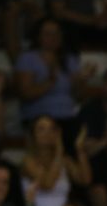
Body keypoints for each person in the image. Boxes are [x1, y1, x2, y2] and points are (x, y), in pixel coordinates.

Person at [15, 17, 95, 146]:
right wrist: (50, 82)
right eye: (48, 33)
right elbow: (26, 94)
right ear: (38, 37)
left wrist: (81, 80)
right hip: (39, 117)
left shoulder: (70, 59)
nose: (53, 37)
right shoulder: (28, 58)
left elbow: (79, 96)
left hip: (67, 117)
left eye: (57, 33)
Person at [20, 114, 90, 206]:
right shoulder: (28, 161)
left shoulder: (64, 160)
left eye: (52, 129)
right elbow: (48, 184)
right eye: (41, 129)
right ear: (33, 135)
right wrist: (59, 150)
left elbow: (85, 180)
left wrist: (80, 149)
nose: (47, 133)